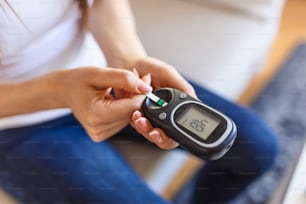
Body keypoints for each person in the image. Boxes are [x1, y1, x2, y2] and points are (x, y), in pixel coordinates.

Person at [0, 0, 278, 203]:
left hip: (108, 77)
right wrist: (61, 90)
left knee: (258, 146)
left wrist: (129, 60)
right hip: (18, 125)